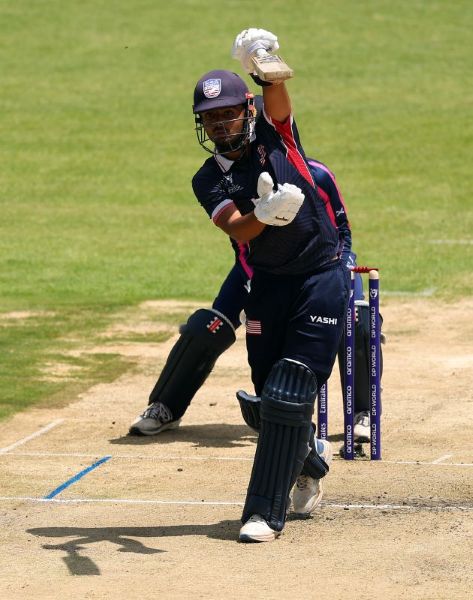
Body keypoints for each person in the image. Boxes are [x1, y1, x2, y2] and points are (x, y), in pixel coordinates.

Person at [185, 27, 354, 543]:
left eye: (228, 113)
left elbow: (279, 98)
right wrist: (264, 213)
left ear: (248, 110)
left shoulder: (275, 137)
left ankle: (263, 513)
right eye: (210, 118)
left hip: (320, 274)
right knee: (268, 401)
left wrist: (264, 64)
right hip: (267, 285)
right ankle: (309, 463)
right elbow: (237, 229)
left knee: (289, 388)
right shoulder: (207, 178)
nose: (220, 124)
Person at [129, 131, 381, 443]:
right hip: (258, 271)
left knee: (358, 320)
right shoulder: (238, 184)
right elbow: (242, 246)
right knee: (207, 327)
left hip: (324, 267)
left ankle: (362, 412)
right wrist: (254, 285)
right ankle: (165, 407)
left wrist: (341, 270)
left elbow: (342, 229)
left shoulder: (316, 174)